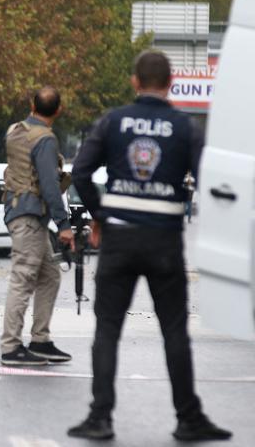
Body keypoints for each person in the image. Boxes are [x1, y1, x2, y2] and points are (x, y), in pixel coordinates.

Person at [68, 50, 231, 441]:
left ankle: (100, 417)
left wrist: (101, 216)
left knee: (108, 329)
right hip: (164, 242)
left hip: (119, 239)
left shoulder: (113, 121)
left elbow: (82, 172)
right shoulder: (185, 127)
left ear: (135, 82)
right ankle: (188, 418)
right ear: (171, 83)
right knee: (174, 330)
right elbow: (210, 178)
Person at [0, 86, 74, 366]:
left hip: (20, 212)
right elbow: (49, 184)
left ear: (32, 105)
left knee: (50, 275)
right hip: (30, 218)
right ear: (58, 111)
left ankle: (40, 340)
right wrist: (64, 224)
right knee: (23, 279)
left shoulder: (14, 130)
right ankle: (10, 347)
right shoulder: (45, 139)